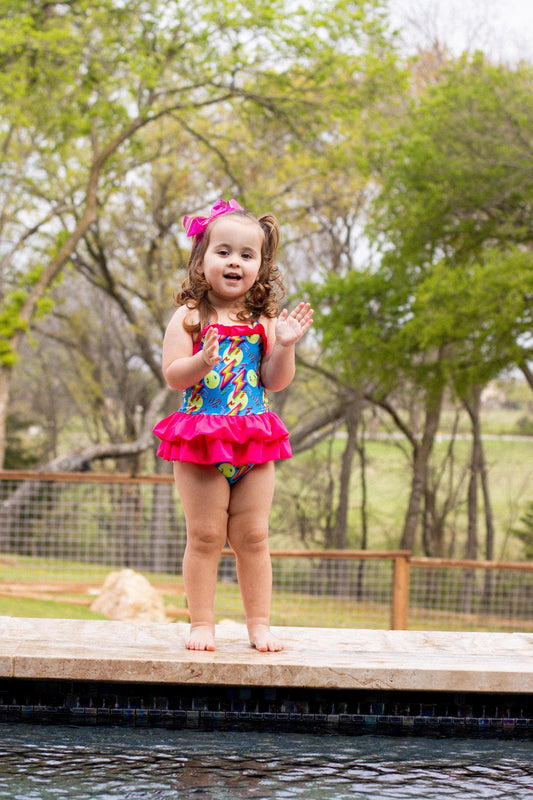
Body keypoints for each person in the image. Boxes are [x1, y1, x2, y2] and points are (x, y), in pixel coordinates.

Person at [153, 198, 313, 652]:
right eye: (223, 251)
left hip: (254, 441)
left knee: (254, 536)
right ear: (201, 260)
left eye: (247, 255)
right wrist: (199, 361)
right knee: (205, 535)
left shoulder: (263, 321)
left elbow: (274, 382)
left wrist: (284, 346)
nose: (234, 262)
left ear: (260, 267)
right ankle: (202, 623)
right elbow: (172, 375)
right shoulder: (188, 318)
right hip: (201, 441)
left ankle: (258, 623)